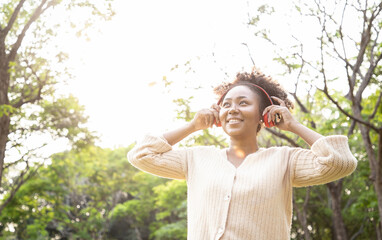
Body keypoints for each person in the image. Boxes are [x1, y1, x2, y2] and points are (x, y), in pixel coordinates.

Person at [127, 68, 357, 240]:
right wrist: (192, 126)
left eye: (243, 102)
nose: (233, 109)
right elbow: (141, 154)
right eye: (226, 105)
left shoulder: (285, 160)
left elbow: (341, 162)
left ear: (263, 115)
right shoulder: (196, 159)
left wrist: (293, 126)